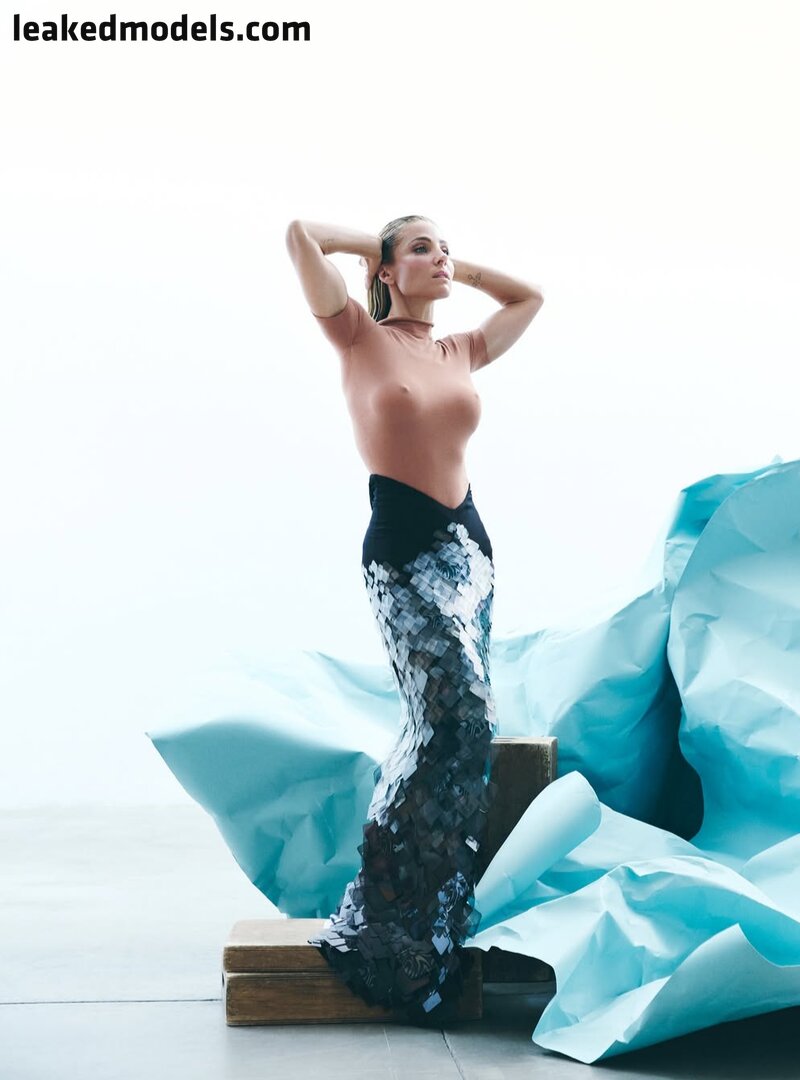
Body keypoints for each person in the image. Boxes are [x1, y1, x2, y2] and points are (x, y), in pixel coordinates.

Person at [284, 215, 543, 1020]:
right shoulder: (356, 335)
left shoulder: (459, 350)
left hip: (469, 554)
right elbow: (298, 234)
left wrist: (445, 267)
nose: (442, 258)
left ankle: (433, 926)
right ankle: (382, 920)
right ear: (385, 270)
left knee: (465, 728)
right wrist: (379, 247)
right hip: (401, 550)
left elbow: (529, 297)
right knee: (452, 721)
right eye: (423, 248)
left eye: (446, 247)